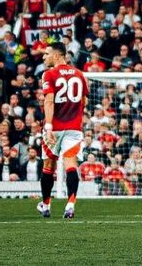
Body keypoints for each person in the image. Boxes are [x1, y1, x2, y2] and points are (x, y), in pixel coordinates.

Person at [37, 39, 88, 221]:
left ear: (57, 55)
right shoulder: (79, 74)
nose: (44, 57)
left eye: (46, 54)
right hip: (74, 128)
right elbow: (84, 101)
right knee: (71, 165)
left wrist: (49, 125)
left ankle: (46, 205)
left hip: (54, 128)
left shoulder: (49, 74)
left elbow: (49, 100)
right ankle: (70, 204)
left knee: (48, 167)